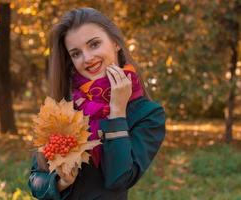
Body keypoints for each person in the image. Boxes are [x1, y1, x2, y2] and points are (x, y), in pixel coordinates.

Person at [28, 7, 166, 200]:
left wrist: (117, 112)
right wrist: (61, 183)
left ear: (116, 43)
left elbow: (119, 179)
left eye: (94, 44)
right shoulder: (64, 106)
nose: (87, 58)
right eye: (76, 53)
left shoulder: (147, 114)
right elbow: (35, 179)